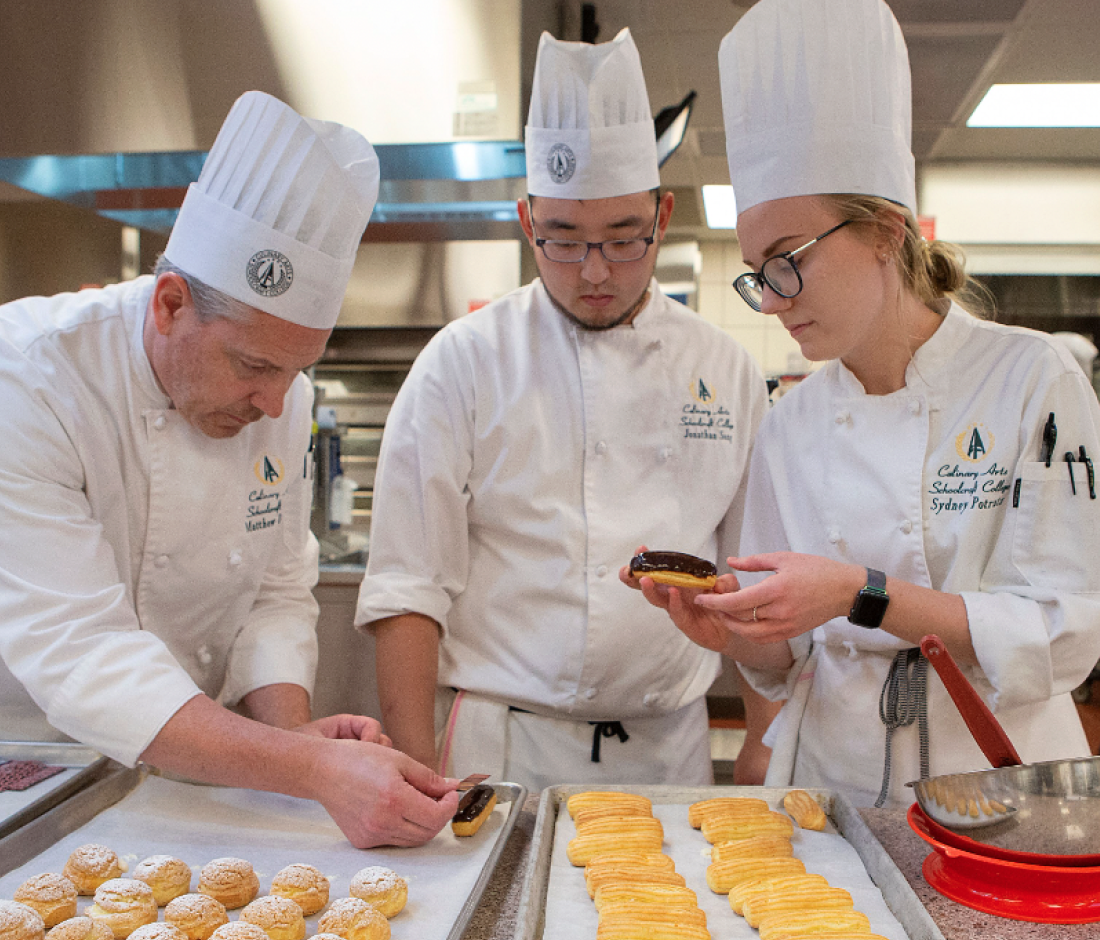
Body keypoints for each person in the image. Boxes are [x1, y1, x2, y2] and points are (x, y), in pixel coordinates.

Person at [625, 0, 1100, 808]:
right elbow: (796, 654)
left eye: (786, 261)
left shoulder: (1033, 379)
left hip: (1000, 789)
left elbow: (1066, 636)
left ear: (885, 231)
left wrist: (862, 594)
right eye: (756, 273)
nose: (769, 301)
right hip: (830, 788)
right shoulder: (792, 423)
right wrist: (742, 634)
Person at [0, 90, 459, 846]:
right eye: (253, 365)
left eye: (296, 370)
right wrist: (304, 769)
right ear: (170, 304)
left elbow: (274, 589)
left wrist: (295, 735)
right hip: (30, 777)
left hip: (188, 778)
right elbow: (82, 653)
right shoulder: (32, 379)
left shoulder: (280, 394)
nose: (276, 404)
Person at [356, 29, 776, 792]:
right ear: (526, 221)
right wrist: (413, 768)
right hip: (501, 745)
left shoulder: (726, 369)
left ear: (662, 214)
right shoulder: (463, 363)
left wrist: (763, 738)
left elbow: (745, 581)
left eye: (623, 241)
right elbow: (408, 587)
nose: (594, 274)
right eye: (561, 240)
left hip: (668, 745)